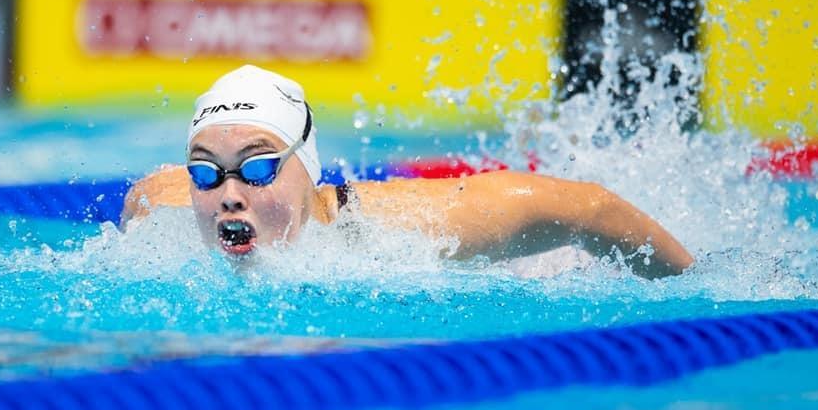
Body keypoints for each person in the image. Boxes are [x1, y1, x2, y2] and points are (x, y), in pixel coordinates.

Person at [121, 65, 694, 279]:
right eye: (206, 174)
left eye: (259, 167)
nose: (230, 194)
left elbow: (586, 208)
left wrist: (693, 285)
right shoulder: (158, 207)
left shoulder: (409, 229)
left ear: (306, 166)